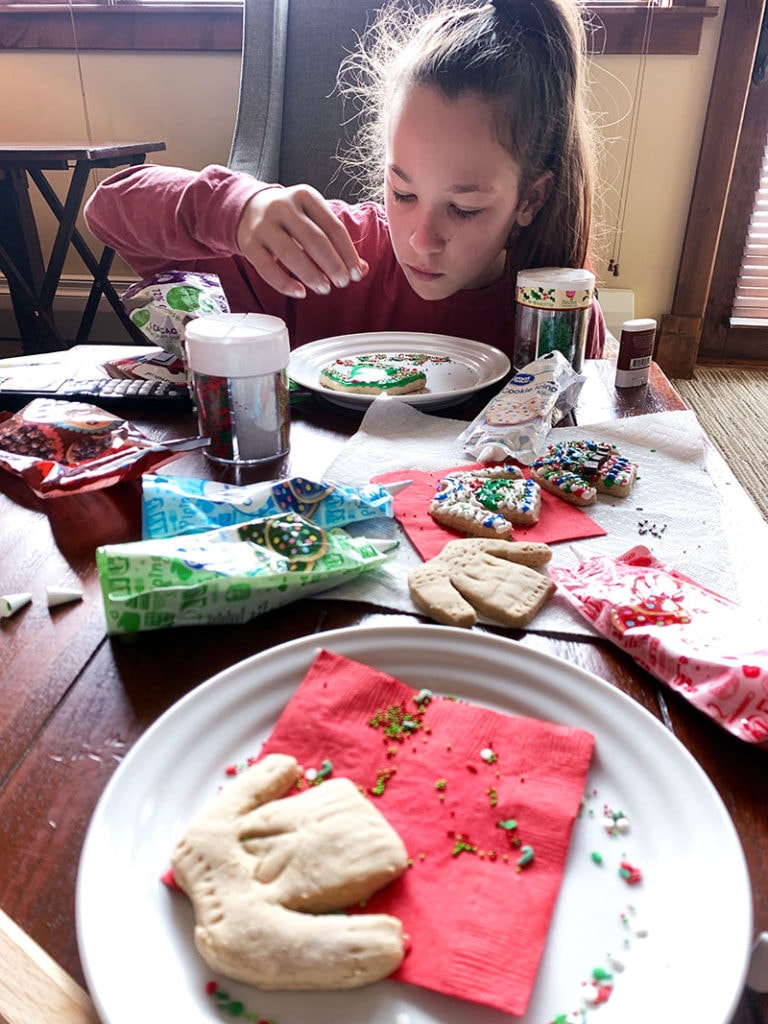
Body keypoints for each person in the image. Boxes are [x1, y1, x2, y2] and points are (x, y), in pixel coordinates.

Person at [85, 0, 605, 360]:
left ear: (530, 199)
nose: (421, 241)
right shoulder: (324, 254)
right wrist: (239, 208)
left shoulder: (553, 313)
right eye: (402, 193)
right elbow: (109, 209)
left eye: (464, 208)